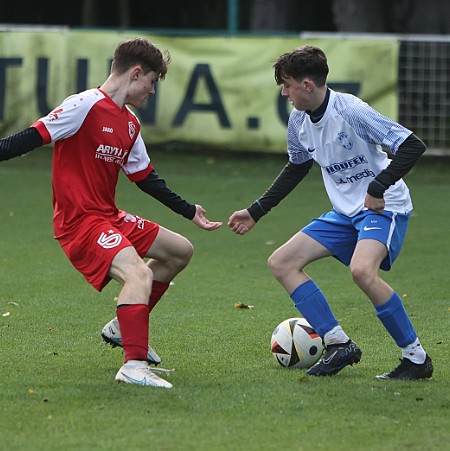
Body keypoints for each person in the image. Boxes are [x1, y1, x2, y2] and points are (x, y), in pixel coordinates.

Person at [0, 37, 222, 388]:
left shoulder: (130, 123)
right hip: (79, 222)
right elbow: (26, 139)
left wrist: (189, 211)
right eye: (151, 83)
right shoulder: (83, 106)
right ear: (136, 74)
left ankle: (123, 327)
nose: (151, 92)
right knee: (138, 275)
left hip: (107, 215)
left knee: (180, 251)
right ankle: (133, 366)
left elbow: (146, 178)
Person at [228, 45, 433, 380]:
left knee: (362, 272)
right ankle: (338, 343)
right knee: (281, 262)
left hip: (383, 207)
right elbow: (296, 168)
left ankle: (416, 358)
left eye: (287, 84)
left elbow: (412, 145)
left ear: (307, 85)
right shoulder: (298, 121)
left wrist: (378, 186)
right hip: (346, 213)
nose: (284, 92)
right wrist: (256, 211)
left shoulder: (350, 109)